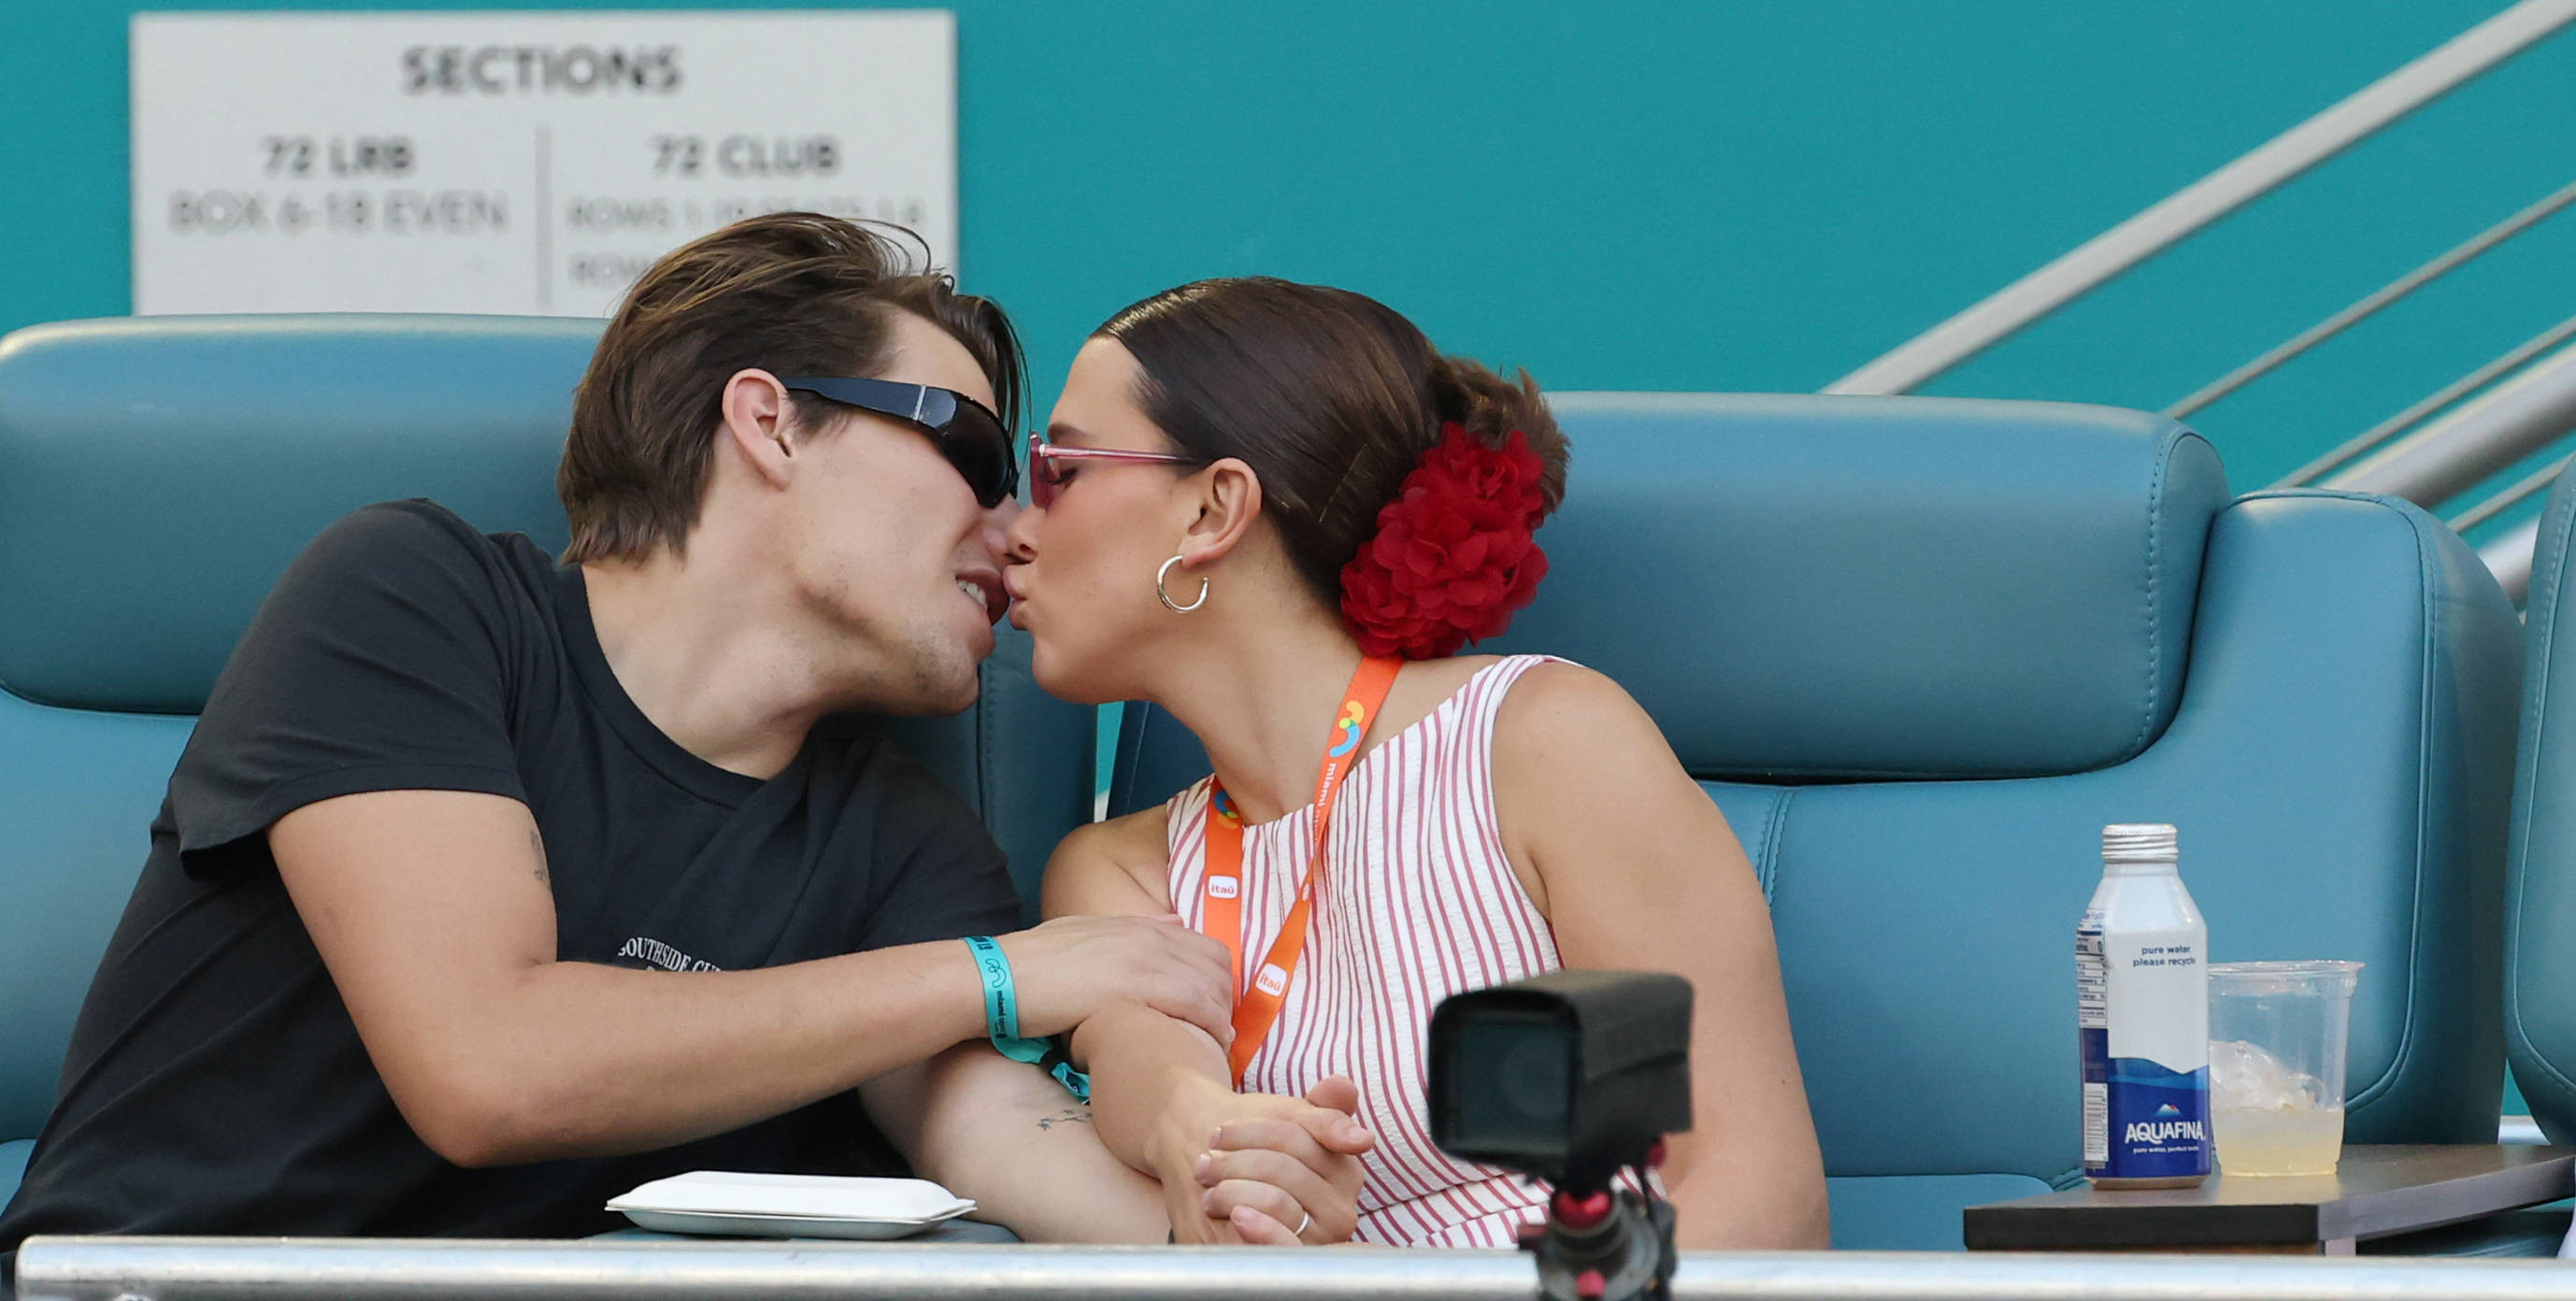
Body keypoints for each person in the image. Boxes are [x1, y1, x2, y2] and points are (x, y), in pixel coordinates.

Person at [0, 217, 1365, 1289]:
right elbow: (489, 1066)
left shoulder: (902, 840)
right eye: (972, 450)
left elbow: (990, 1128)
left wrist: (1211, 1219)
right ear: (767, 421)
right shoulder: (416, 599)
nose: (1018, 534)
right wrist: (1000, 974)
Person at [1006, 277, 1832, 1248]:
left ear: (1212, 510)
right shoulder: (1113, 865)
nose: (1014, 530)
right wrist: (1195, 1125)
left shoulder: (1543, 742)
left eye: (1060, 470)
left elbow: (1759, 1192)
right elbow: (1148, 1058)